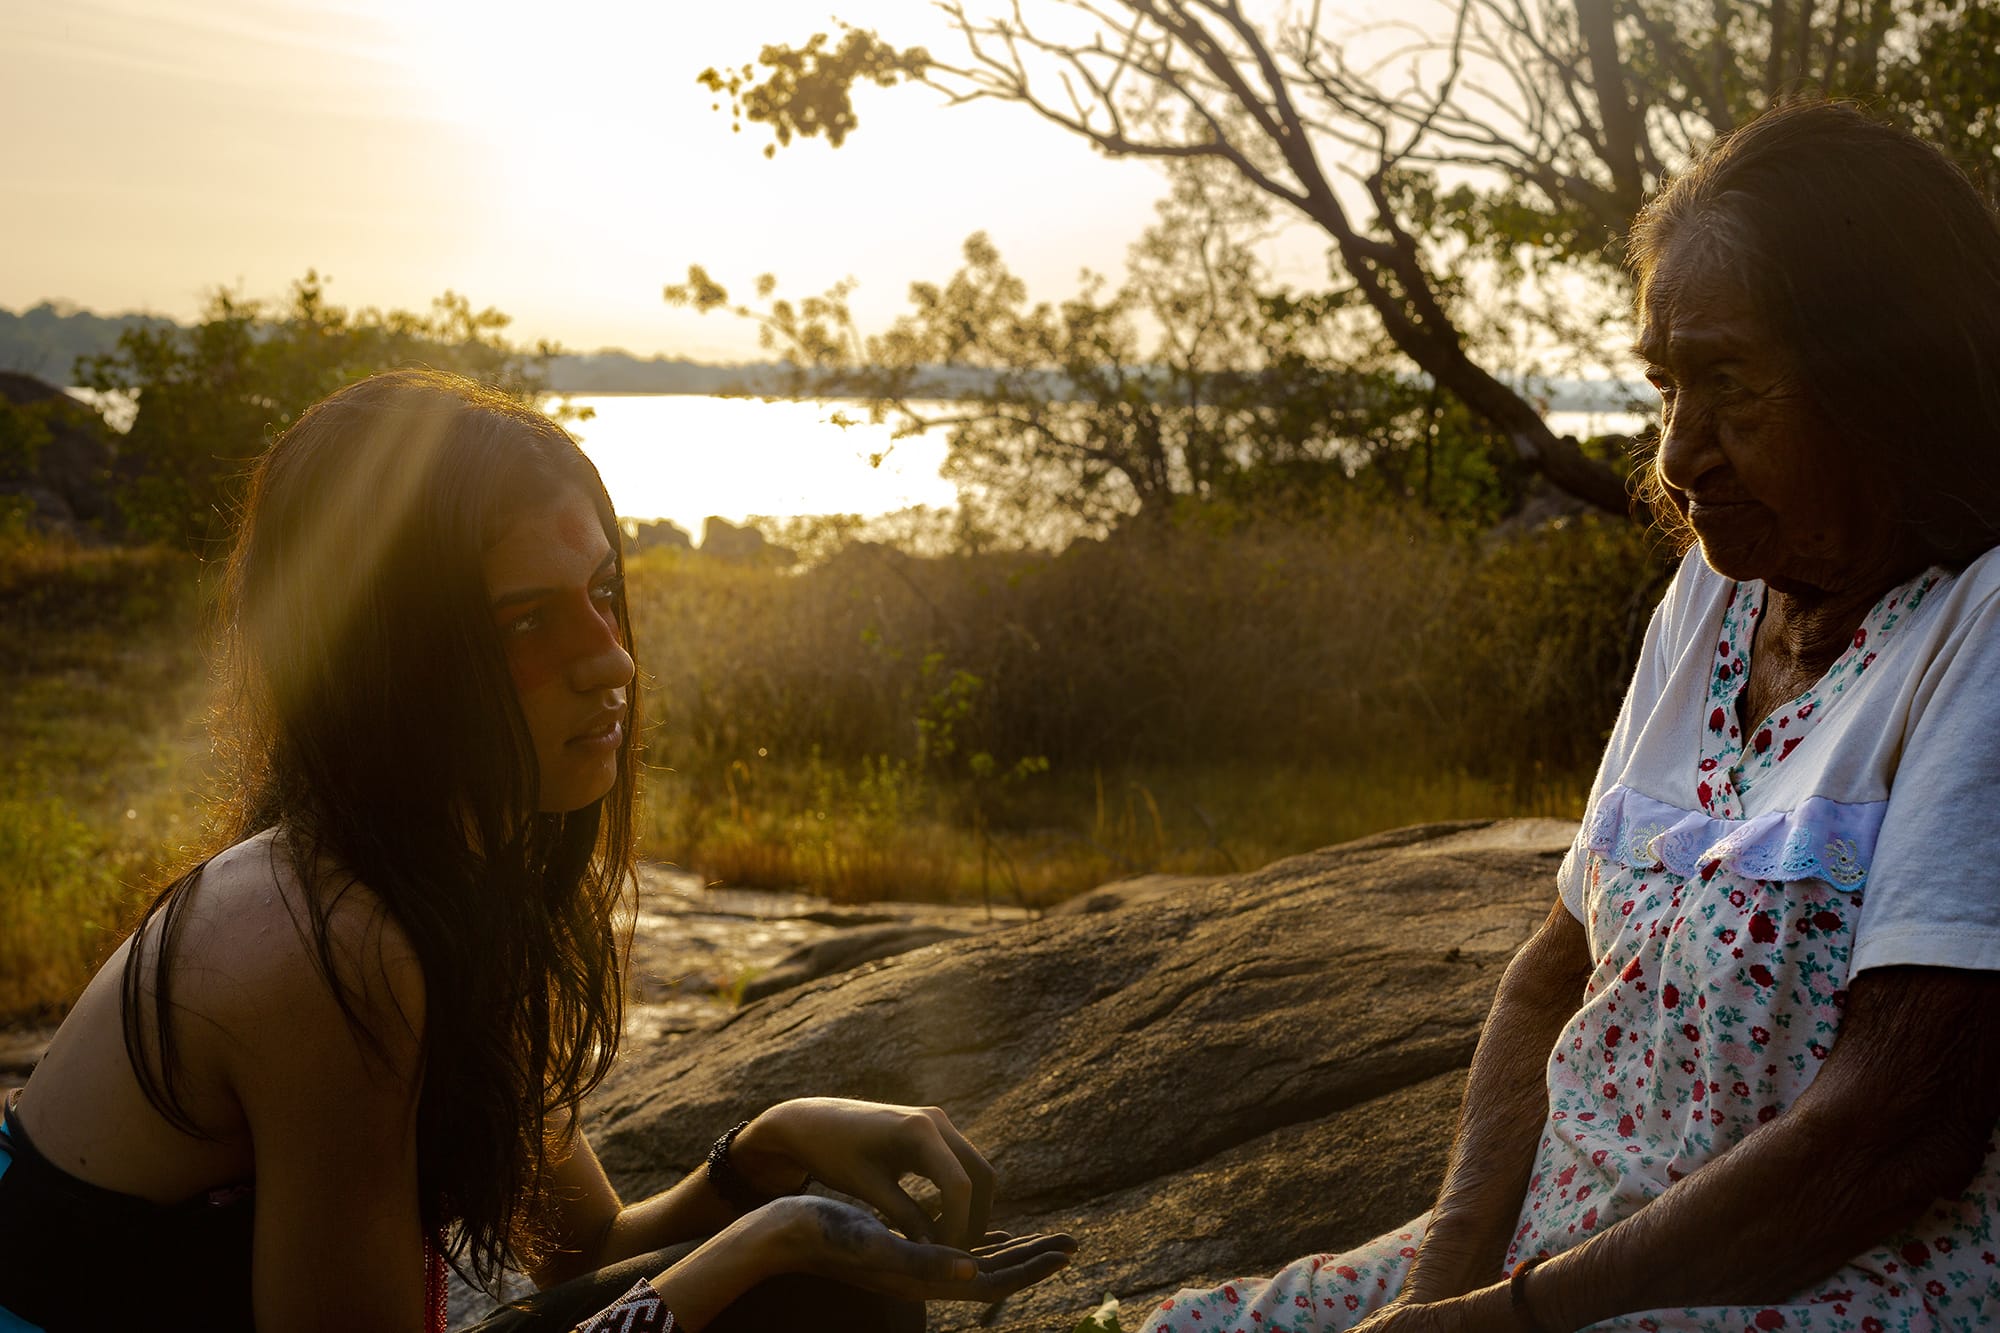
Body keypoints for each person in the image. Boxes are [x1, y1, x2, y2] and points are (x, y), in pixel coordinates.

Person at [1135, 99, 2000, 1333]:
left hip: (1817, 1281)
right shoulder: (1714, 592)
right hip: (1558, 1256)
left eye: (1729, 387)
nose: (1676, 453)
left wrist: (1513, 1320)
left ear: (1881, 381)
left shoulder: (1979, 623)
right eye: (1663, 387)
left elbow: (1889, 1130)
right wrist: (1446, 1278)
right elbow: (1554, 969)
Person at [0, 369, 1074, 1333]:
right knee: (808, 1289)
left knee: (817, 1285)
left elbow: (592, 1250)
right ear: (389, 663)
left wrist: (764, 1148)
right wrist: (768, 1242)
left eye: (603, 595)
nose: (610, 660)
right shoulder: (324, 948)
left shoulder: (444, 885)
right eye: (523, 623)